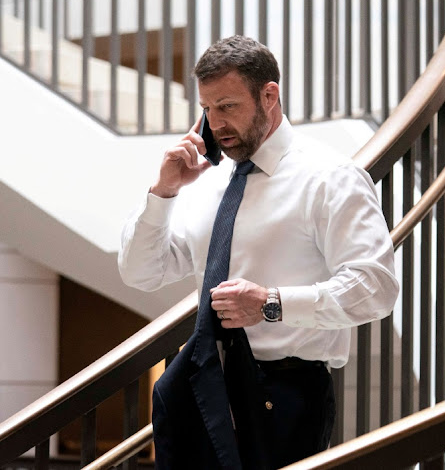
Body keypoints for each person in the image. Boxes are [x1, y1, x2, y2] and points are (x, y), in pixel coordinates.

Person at [118, 36, 399, 469]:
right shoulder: (207, 182)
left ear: (270, 96)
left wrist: (270, 304)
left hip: (283, 395)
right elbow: (141, 272)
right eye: (207, 109)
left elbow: (376, 287)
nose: (215, 124)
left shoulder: (331, 178)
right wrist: (163, 192)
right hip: (202, 383)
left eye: (227, 106)